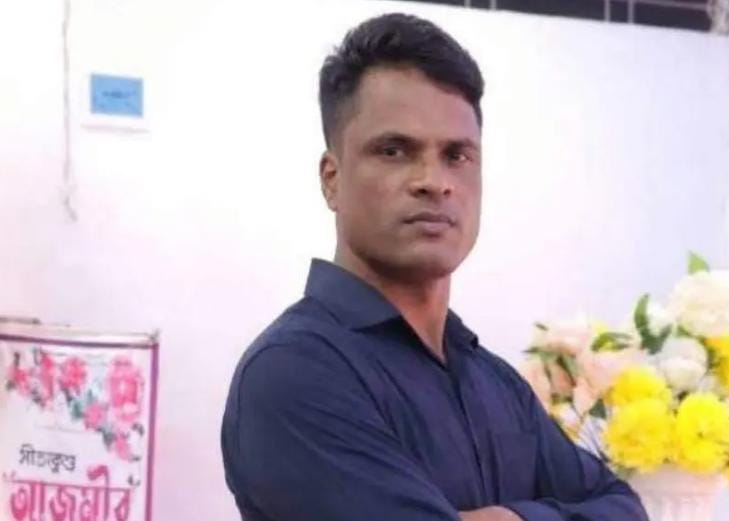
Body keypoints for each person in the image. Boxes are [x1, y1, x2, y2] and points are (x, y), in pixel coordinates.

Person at [221, 13, 648, 521]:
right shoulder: (295, 372)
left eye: (457, 155)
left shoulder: (494, 381)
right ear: (331, 179)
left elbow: (626, 509)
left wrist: (511, 518)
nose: (434, 181)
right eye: (394, 150)